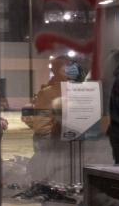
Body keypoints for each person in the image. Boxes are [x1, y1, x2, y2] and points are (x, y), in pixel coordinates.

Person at [26, 56, 86, 184]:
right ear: (59, 70)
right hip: (58, 146)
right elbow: (42, 126)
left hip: (72, 144)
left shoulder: (81, 89)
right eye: (68, 66)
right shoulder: (48, 92)